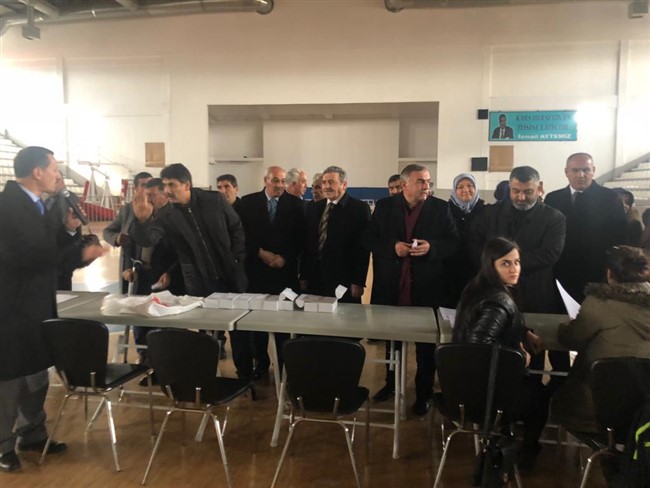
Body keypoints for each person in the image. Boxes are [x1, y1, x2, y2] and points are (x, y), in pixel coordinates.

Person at [0, 146, 104, 473]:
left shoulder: (36, 204)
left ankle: (33, 434)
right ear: (37, 172)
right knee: (11, 379)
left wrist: (68, 231)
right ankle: (3, 446)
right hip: (13, 308)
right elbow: (28, 257)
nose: (58, 175)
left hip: (38, 305)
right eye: (54, 169)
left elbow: (46, 246)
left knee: (36, 374)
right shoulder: (8, 207)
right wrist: (78, 255)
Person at [131, 163, 250, 377]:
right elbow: (149, 238)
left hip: (230, 275)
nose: (167, 190)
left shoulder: (213, 200)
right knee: (206, 334)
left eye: (171, 185)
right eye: (165, 185)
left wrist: (236, 258)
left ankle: (246, 377)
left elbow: (236, 227)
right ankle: (207, 377)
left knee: (239, 330)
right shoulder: (166, 214)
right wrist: (142, 221)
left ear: (187, 185)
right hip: (199, 281)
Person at [365, 164, 459, 415]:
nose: (426, 186)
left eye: (428, 181)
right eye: (421, 182)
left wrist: (432, 248)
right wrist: (392, 247)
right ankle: (391, 384)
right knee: (392, 340)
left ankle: (423, 394)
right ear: (404, 184)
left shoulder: (440, 208)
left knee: (425, 347)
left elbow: (453, 243)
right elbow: (369, 239)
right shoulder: (384, 207)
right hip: (391, 284)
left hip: (427, 287)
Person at [453, 237, 547, 473]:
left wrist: (525, 333)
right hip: (486, 393)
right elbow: (479, 348)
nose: (514, 269)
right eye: (506, 263)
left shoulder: (479, 287)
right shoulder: (499, 299)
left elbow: (495, 324)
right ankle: (527, 451)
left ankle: (507, 435)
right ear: (491, 265)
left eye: (517, 262)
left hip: (463, 383)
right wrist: (518, 356)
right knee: (540, 395)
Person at [553, 246, 650, 435]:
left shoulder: (599, 304)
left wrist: (565, 326)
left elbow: (570, 339)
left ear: (609, 274)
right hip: (645, 414)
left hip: (596, 409)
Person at [238, 166, 306, 380]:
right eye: (276, 181)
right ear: (265, 180)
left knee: (284, 320)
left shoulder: (296, 205)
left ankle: (285, 363)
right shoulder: (247, 203)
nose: (280, 185)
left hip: (284, 271)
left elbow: (301, 238)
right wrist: (260, 253)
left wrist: (284, 257)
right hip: (256, 271)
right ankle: (261, 362)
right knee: (257, 322)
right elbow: (241, 235)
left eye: (283, 181)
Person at [545, 153, 627, 302]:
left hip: (598, 272)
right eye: (575, 170)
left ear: (593, 170)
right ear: (566, 172)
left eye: (586, 170)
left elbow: (620, 236)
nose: (581, 175)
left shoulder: (610, 199)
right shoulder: (553, 199)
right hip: (561, 271)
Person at [122, 178, 183, 366]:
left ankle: (165, 360)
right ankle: (144, 356)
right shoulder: (139, 214)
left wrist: (171, 272)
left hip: (164, 275)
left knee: (163, 320)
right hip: (141, 274)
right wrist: (127, 267)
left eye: (151, 195)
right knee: (141, 316)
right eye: (146, 195)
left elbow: (183, 252)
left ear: (164, 195)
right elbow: (128, 243)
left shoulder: (173, 217)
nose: (147, 199)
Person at [301, 165, 370, 303]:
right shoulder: (313, 207)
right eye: (324, 182)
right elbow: (307, 244)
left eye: (331, 182)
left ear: (344, 185)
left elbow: (362, 248)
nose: (326, 186)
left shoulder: (359, 209)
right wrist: (303, 275)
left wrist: (358, 281)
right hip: (315, 277)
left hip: (344, 280)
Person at [103, 171, 152, 293]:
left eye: (150, 185)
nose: (147, 189)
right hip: (131, 266)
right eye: (143, 185)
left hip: (154, 268)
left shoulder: (158, 207)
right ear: (135, 189)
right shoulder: (127, 210)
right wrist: (117, 238)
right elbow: (107, 231)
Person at [443, 173, 485, 306]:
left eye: (470, 186)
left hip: (478, 270)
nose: (465, 190)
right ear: (454, 190)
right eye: (460, 187)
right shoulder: (445, 211)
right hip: (451, 271)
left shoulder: (485, 211)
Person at [45, 171, 86, 290]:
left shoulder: (67, 198)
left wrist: (69, 229)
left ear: (62, 182)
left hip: (62, 255)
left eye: (57, 180)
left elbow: (69, 225)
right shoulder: (47, 200)